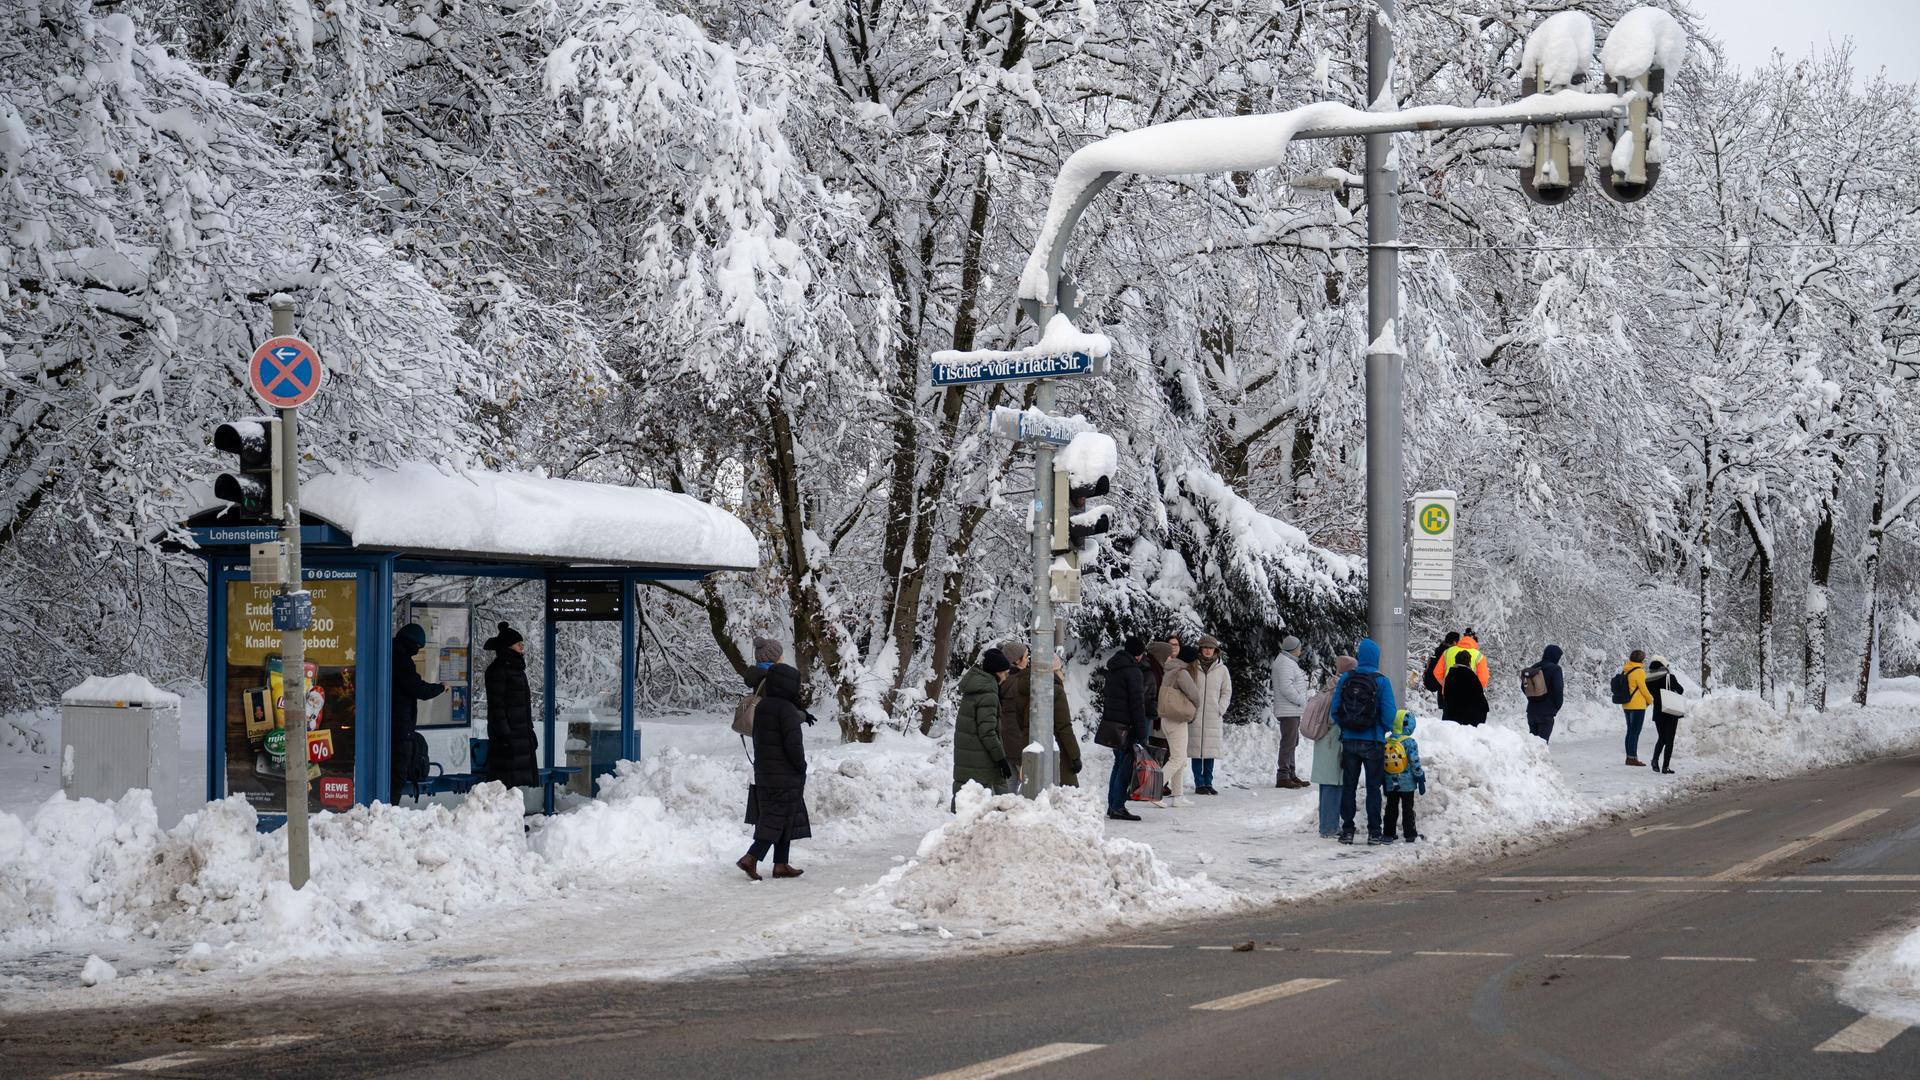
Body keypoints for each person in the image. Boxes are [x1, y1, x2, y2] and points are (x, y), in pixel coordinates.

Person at [736, 653, 812, 880]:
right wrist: (801, 766)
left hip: (765, 772)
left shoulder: (763, 706)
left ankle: (781, 864)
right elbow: (793, 745)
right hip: (785, 774)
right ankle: (750, 858)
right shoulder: (786, 710)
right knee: (776, 819)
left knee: (781, 816)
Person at [1332, 637, 1396, 845]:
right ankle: (1374, 832)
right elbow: (1389, 715)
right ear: (1377, 658)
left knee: (1349, 786)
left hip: (1349, 740)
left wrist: (1346, 727)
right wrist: (1382, 730)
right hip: (1373, 742)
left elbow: (1335, 710)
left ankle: (1348, 830)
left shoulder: (1346, 678)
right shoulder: (1382, 681)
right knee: (1373, 788)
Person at [999, 641, 1081, 787]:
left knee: (1012, 789)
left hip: (1008, 743)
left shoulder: (1006, 683)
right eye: (1025, 656)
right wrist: (1075, 756)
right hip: (1023, 744)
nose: (1028, 659)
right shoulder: (1034, 687)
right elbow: (1064, 726)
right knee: (1031, 789)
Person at [389, 622, 447, 804]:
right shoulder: (402, 660)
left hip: (394, 724)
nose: (418, 650)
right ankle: (389, 810)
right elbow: (417, 688)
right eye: (418, 647)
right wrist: (440, 688)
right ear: (411, 643)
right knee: (397, 774)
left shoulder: (390, 653)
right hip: (400, 725)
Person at [953, 648, 1014, 803]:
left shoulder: (975, 689)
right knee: (991, 809)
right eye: (1004, 673)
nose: (1006, 677)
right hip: (983, 764)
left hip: (969, 760)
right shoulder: (988, 694)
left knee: (968, 807)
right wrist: (1001, 759)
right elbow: (987, 732)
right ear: (997, 672)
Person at [481, 622, 537, 788]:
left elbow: (523, 706)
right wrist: (504, 736)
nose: (522, 647)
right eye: (518, 644)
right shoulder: (499, 670)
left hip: (519, 734)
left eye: (522, 644)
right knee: (506, 781)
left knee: (516, 781)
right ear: (508, 646)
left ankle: (517, 810)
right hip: (508, 736)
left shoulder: (516, 669)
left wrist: (529, 730)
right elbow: (497, 706)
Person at [1100, 637, 1150, 821]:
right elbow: (1137, 705)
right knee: (1125, 767)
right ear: (1138, 654)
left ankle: (1112, 804)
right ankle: (1118, 806)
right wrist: (1141, 732)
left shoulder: (1114, 669)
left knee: (1118, 763)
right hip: (1127, 727)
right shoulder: (1133, 672)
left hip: (1114, 725)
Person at [1307, 655, 1356, 839]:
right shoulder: (1340, 689)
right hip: (1332, 742)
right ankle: (1329, 827)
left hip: (1324, 742)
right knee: (1332, 786)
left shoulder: (1330, 685)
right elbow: (1334, 717)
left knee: (1327, 786)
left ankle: (1327, 825)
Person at [1156, 643, 1202, 806]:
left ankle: (1178, 796)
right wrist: (1195, 705)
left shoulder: (1169, 669)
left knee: (1179, 759)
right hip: (1177, 720)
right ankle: (1154, 791)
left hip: (1167, 719)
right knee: (1177, 759)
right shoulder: (1181, 672)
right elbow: (1195, 694)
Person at [1188, 634, 1233, 794]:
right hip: (1195, 715)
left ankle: (1208, 782)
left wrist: (1220, 708)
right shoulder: (1193, 666)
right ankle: (1199, 784)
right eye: (1205, 647)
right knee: (1195, 751)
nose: (1208, 651)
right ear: (1200, 649)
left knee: (1209, 752)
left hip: (1213, 716)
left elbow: (1226, 691)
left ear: (1216, 650)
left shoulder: (1222, 669)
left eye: (1211, 648)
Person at [1380, 709, 1426, 844]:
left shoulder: (1386, 741)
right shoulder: (1409, 742)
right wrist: (1419, 776)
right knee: (1408, 808)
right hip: (1407, 783)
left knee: (1391, 807)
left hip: (1390, 782)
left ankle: (1388, 834)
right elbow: (1414, 761)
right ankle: (1410, 834)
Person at [1270, 635, 1309, 789]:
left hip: (1291, 709)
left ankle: (1290, 774)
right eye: (1299, 647)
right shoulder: (1285, 663)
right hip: (1289, 709)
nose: (1300, 650)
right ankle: (1283, 776)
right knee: (1288, 742)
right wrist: (1301, 700)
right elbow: (1286, 688)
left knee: (1292, 741)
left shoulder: (1287, 662)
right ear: (1293, 649)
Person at [1645, 656, 1688, 774]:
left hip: (1658, 712)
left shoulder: (1647, 680)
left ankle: (1655, 760)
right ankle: (1665, 766)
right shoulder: (1669, 677)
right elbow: (1680, 690)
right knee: (1669, 740)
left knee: (1661, 738)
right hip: (1670, 711)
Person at [1524, 644, 1566, 742]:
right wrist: (1557, 706)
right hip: (1546, 713)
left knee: (1533, 744)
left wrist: (1532, 698)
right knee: (1542, 744)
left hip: (1531, 711)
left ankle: (1530, 758)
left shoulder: (1534, 667)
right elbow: (1558, 688)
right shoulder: (1555, 669)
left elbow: (1524, 686)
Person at [1440, 651, 1490, 727]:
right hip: (1469, 719)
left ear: (1455, 660)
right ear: (1469, 662)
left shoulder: (1450, 675)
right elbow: (1480, 698)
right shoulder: (1471, 676)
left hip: (1451, 717)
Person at [1621, 649, 1652, 766]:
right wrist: (1650, 700)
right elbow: (1644, 689)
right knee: (1635, 732)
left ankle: (1629, 757)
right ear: (1641, 660)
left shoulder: (1626, 669)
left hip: (1627, 704)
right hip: (1638, 706)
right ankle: (1632, 758)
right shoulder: (1639, 671)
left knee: (1630, 731)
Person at [1422, 631, 1459, 698]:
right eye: (1458, 642)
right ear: (1454, 642)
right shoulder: (1449, 653)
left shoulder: (1439, 649)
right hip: (1439, 686)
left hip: (1431, 682)